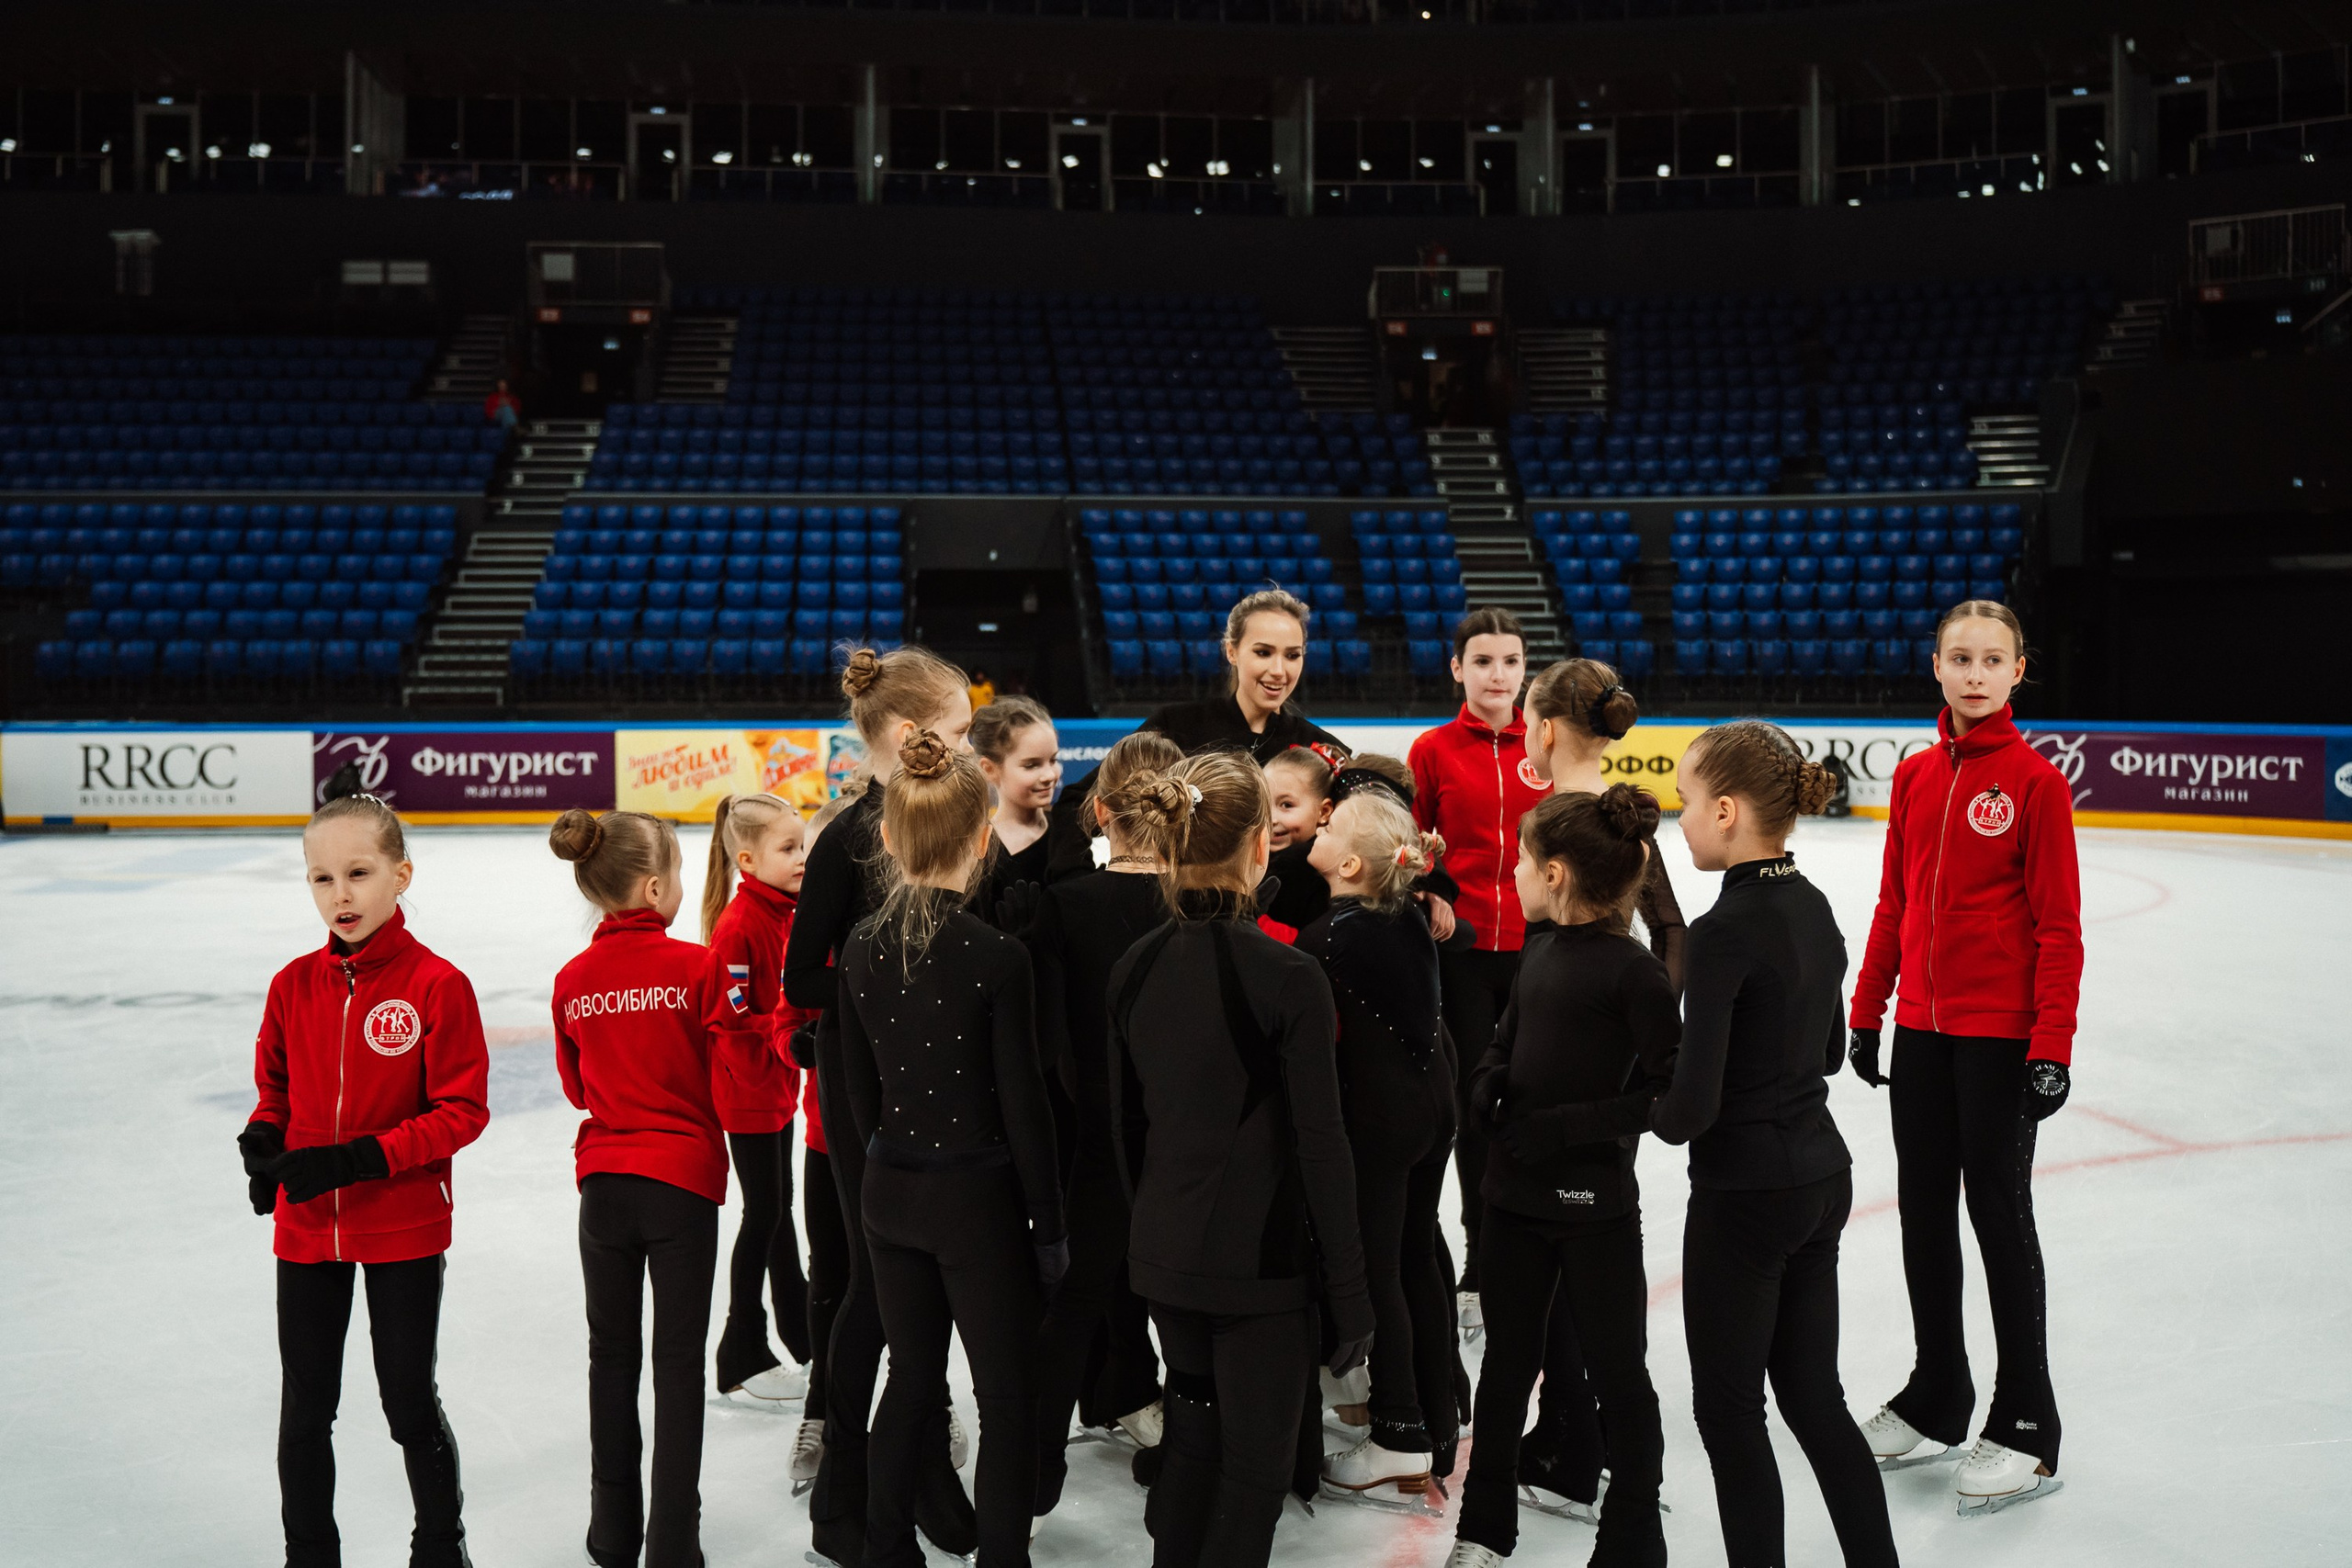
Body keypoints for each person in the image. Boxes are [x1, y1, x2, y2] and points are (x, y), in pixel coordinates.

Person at [1106, 750, 1374, 1568]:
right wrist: (1350, 1289)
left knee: (1192, 1442)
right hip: (1259, 1271)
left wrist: (1153, 1241)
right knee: (1254, 1473)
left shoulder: (1134, 965)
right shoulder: (1289, 975)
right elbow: (1322, 1143)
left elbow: (1125, 1131)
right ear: (1261, 846)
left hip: (1167, 1258)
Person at [1847, 600, 2081, 1515]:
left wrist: (2050, 1044)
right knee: (1921, 1215)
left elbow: (2059, 928)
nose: (1975, 674)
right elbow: (1894, 904)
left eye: (1992, 659)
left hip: (1999, 1039)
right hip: (1924, 1034)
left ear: (2018, 671)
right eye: (1960, 658)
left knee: (1998, 1213)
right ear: (1936, 665)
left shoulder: (2034, 784)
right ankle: (1937, 1391)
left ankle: (2025, 1421)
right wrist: (1870, 1010)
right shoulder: (1914, 777)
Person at [1654, 721, 1898, 1568]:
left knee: (1728, 1412)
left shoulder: (1722, 928)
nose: (1680, 819)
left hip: (1747, 1196)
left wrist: (1626, 1100)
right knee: (1814, 1398)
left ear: (1725, 811)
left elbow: (1690, 1111)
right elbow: (1827, 1051)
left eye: (1685, 801)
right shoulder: (1812, 902)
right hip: (1820, 1176)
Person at [240, 789, 488, 1568]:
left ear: (400, 874)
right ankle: (309, 1553)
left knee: (408, 1401)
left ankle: (440, 1549)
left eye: (358, 872)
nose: (339, 894)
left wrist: (359, 1158)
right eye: (322, 878)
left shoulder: (437, 984)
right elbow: (275, 1089)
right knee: (305, 1408)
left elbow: (462, 1111)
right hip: (308, 1225)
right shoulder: (292, 985)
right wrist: (263, 1137)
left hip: (403, 1223)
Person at [840, 730, 1066, 1568]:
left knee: (911, 1377)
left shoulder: (859, 946)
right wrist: (1049, 1224)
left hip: (890, 1190)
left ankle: (885, 1547)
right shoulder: (998, 956)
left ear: (888, 838)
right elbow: (1025, 1103)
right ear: (981, 839)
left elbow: (860, 1094)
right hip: (973, 1202)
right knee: (1007, 1397)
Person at [783, 645, 980, 1567]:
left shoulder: (952, 816)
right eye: (958, 730)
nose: (969, 744)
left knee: (919, 1286)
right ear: (908, 735)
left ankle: (918, 1466)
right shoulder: (849, 838)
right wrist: (891, 989)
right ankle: (844, 1492)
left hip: (934, 1083)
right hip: (866, 1084)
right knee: (876, 1285)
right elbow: (801, 977)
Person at [1447, 785, 1675, 1568]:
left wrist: (1566, 1126)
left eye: (1519, 860)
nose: (1510, 872)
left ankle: (1633, 1538)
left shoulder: (1635, 972)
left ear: (1555, 873)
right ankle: (1482, 1530)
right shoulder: (1539, 949)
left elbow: (1669, 1094)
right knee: (1505, 1371)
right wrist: (1486, 1078)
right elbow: (1506, 1039)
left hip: (1593, 1209)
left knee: (1619, 1373)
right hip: (1511, 1200)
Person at [1001, 730, 1187, 1519]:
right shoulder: (1200, 903)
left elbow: (1045, 1042)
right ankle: (1191, 1459)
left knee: (1077, 1301)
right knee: (1185, 1304)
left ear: (1100, 811)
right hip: (1187, 1142)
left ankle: (1036, 1466)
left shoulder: (1065, 905)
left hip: (1098, 1135)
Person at [549, 808, 731, 1568]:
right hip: (680, 1184)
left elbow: (577, 1088)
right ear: (654, 888)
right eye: (678, 873)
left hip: (605, 1189)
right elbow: (727, 1076)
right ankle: (673, 1542)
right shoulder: (698, 968)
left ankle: (613, 1529)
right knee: (678, 1364)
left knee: (612, 1357)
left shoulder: (571, 981)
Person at [1298, 766, 1459, 1507]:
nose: (1319, 824)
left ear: (1353, 865)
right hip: (1430, 1110)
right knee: (1414, 1257)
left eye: (1330, 826)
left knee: (1381, 1270)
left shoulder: (1330, 937)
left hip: (1383, 1124)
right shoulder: (1403, 915)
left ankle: (1398, 1429)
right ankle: (1434, 1413)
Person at [1408, 607, 1545, 1326]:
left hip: (1536, 949)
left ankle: (1535, 1243)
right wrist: (1429, 891)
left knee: (1533, 1097)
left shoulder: (1547, 745)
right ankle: (1478, 1257)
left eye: (1511, 661)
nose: (1499, 674)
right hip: (1458, 952)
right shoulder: (1432, 749)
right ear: (1457, 668)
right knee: (1473, 1104)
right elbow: (1414, 844)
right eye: (1484, 661)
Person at [1043, 589, 1346, 884]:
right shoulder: (1175, 726)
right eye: (1263, 653)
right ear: (1231, 651)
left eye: (1292, 655)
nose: (1279, 670)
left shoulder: (1320, 749)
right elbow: (1080, 804)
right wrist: (1076, 883)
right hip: (1181, 909)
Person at [698, 792, 815, 1405]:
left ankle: (802, 1333)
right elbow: (730, 1018)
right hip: (748, 1092)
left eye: (803, 846)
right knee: (765, 1211)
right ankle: (741, 1345)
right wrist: (784, 1040)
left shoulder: (784, 913)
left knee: (778, 1207)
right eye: (788, 848)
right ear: (747, 859)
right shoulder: (741, 924)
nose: (801, 858)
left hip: (775, 1087)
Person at [789, 788, 863, 1488]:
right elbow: (781, 1012)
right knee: (830, 1271)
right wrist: (796, 1041)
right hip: (823, 1134)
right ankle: (819, 1401)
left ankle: (930, 1400)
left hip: (883, 1128)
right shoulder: (808, 943)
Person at [971, 695, 1061, 903]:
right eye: (1031, 765)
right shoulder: (980, 850)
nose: (1049, 775)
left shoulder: (1067, 832)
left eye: (1053, 760)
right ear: (989, 769)